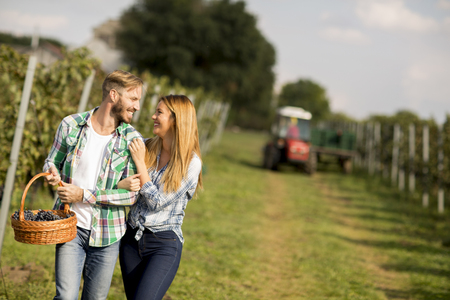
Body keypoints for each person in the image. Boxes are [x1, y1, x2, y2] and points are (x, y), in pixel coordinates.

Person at [43, 70, 144, 300]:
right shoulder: (71, 125)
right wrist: (52, 173)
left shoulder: (132, 140)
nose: (137, 107)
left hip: (108, 235)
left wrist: (83, 194)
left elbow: (131, 197)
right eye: (133, 99)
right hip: (70, 227)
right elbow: (52, 161)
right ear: (113, 95)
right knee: (65, 297)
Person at [119, 94, 203, 300]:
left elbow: (156, 201)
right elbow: (119, 180)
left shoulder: (191, 163)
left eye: (159, 112)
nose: (152, 116)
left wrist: (140, 163)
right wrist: (121, 184)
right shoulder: (147, 146)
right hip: (131, 240)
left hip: (163, 244)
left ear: (176, 120)